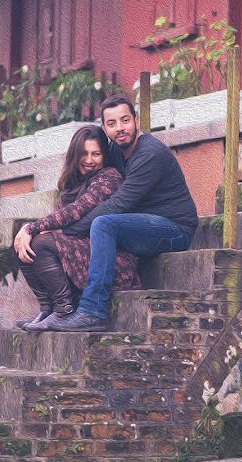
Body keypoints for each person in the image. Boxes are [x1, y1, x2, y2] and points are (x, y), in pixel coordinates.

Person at [43, 94, 198, 332]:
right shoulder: (116, 150)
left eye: (125, 120)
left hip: (174, 229)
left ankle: (93, 311)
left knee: (104, 224)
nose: (120, 128)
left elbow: (119, 203)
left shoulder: (150, 153)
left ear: (136, 120)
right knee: (91, 228)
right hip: (140, 226)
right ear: (104, 128)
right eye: (112, 124)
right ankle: (59, 308)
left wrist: (68, 229)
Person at [13, 125, 142, 331]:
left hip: (113, 259)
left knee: (40, 242)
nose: (89, 160)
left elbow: (76, 211)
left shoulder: (109, 177)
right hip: (82, 249)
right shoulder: (72, 183)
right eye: (84, 154)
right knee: (23, 244)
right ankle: (49, 308)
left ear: (104, 156)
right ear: (74, 155)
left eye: (96, 154)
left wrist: (32, 228)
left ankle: (65, 310)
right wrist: (27, 232)